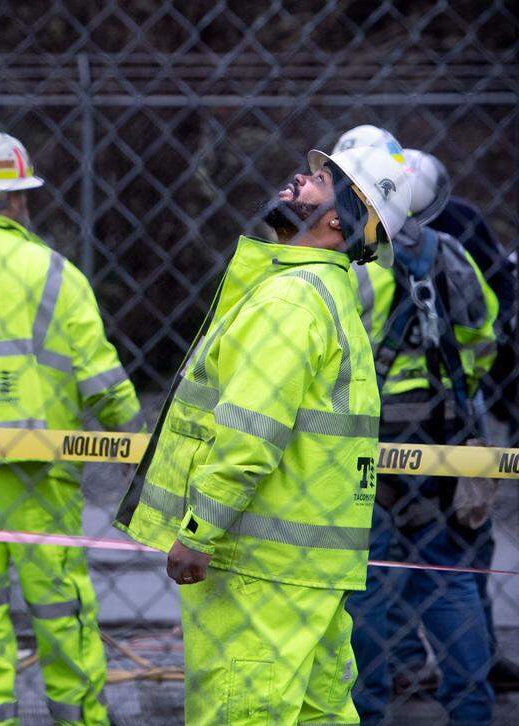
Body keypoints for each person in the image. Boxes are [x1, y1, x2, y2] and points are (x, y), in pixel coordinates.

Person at [115, 145, 410, 724]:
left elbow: (251, 434)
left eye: (322, 180)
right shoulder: (328, 297)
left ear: (337, 221)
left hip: (258, 567)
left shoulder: (289, 300)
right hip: (308, 569)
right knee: (317, 713)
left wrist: (200, 531)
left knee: (240, 710)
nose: (302, 177)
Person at [0, 132, 143, 725]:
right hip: (39, 463)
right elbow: (100, 376)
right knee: (60, 609)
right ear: (17, 199)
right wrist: (134, 445)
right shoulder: (54, 273)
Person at [340, 140, 497, 722]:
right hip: (439, 433)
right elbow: (483, 335)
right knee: (446, 573)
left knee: (368, 582)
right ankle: (472, 709)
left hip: (367, 435)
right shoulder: (446, 252)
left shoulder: (352, 264)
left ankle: (367, 710)